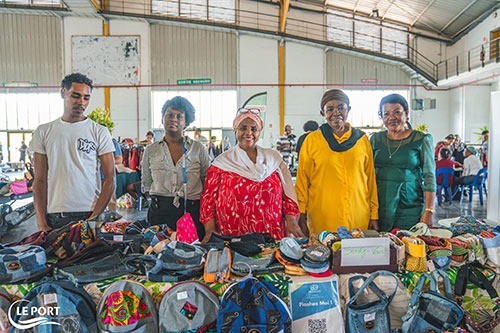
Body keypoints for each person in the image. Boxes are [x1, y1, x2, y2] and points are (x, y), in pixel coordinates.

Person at [200, 108, 304, 242]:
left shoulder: (273, 160)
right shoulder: (222, 163)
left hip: (272, 236)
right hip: (232, 238)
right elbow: (208, 201)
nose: (248, 133)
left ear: (259, 132)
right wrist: (210, 231)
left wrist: (292, 222)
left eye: (254, 129)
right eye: (243, 128)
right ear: (235, 131)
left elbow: (288, 196)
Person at [30, 73, 115, 231]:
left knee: (92, 257)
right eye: (75, 96)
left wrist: (94, 218)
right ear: (63, 93)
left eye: (86, 98)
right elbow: (39, 180)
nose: (81, 102)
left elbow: (110, 180)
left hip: (89, 212)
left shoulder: (99, 132)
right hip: (55, 214)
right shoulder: (44, 132)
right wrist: (41, 223)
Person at [295, 89, 379, 236]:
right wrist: (300, 214)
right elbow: (302, 181)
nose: (336, 112)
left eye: (341, 107)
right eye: (330, 109)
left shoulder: (362, 140)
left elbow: (370, 180)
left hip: (358, 215)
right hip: (323, 217)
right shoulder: (312, 141)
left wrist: (374, 214)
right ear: (323, 113)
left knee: (357, 256)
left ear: (349, 110)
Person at [142, 96, 211, 240]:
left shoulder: (198, 149)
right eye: (169, 115)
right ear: (162, 119)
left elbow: (207, 181)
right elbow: (147, 183)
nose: (173, 119)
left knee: (192, 254)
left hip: (191, 211)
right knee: (158, 254)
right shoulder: (150, 150)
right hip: (159, 211)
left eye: (179, 116)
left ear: (186, 122)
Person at [370, 93, 436, 231]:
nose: (391, 117)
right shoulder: (375, 139)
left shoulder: (421, 139)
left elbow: (429, 177)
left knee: (409, 247)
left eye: (397, 112)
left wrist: (429, 210)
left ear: (406, 114)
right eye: (386, 113)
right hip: (380, 205)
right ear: (381, 117)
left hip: (409, 206)